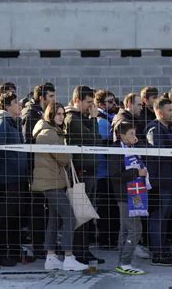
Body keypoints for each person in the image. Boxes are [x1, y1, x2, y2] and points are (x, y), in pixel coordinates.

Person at [32, 102, 88, 271]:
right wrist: (69, 151)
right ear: (50, 114)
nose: (61, 117)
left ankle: (51, 257)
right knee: (69, 217)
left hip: (53, 181)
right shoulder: (50, 133)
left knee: (54, 219)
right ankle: (68, 257)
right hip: (51, 182)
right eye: (57, 114)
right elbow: (63, 158)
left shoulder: (51, 131)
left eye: (62, 114)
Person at [64, 85, 102, 264]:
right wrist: (93, 120)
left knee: (87, 214)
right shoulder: (72, 118)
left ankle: (84, 250)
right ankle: (80, 251)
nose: (91, 106)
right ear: (77, 101)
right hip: (81, 173)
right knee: (81, 215)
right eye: (88, 102)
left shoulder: (81, 117)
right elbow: (94, 139)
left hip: (89, 171)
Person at [0, 91, 29, 267]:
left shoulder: (15, 122)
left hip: (19, 178)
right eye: (16, 102)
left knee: (15, 218)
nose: (19, 106)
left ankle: (14, 252)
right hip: (7, 179)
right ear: (7, 106)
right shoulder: (1, 123)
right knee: (4, 219)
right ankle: (0, 254)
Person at [109, 122, 150, 275]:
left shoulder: (134, 148)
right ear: (122, 135)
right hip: (124, 195)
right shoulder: (115, 150)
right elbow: (116, 175)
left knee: (125, 229)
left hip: (136, 193)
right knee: (135, 228)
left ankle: (122, 262)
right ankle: (125, 262)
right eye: (131, 134)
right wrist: (136, 173)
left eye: (135, 134)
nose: (135, 137)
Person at [21, 82, 56, 259]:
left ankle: (44, 242)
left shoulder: (40, 113)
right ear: (41, 98)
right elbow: (30, 143)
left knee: (44, 209)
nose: (53, 100)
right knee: (37, 209)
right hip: (34, 169)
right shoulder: (31, 114)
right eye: (50, 96)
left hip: (43, 168)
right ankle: (38, 244)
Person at [145, 97, 172, 266]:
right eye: (168, 110)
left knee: (164, 218)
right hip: (159, 182)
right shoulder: (154, 129)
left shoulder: (170, 128)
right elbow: (156, 152)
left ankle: (163, 249)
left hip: (170, 180)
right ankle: (158, 253)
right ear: (159, 111)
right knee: (158, 218)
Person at [94, 89, 119, 247]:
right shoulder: (102, 122)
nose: (114, 104)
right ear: (101, 104)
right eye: (110, 102)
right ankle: (105, 240)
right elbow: (107, 145)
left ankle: (110, 239)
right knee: (106, 208)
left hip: (109, 171)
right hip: (103, 172)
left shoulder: (109, 119)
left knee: (111, 207)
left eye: (114, 101)